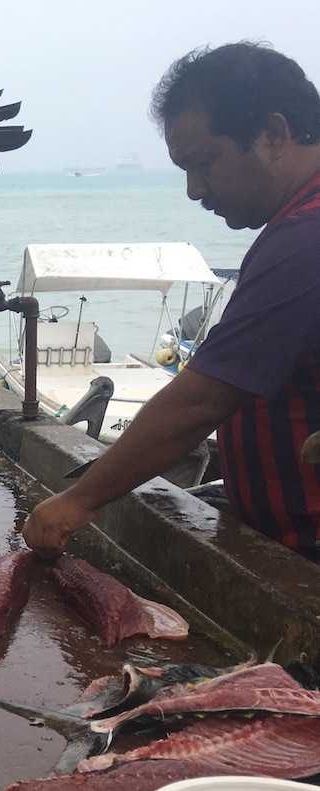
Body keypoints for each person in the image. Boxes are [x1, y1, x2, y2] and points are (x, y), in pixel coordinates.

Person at [23, 42, 320, 559]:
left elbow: (203, 400)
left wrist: (77, 501)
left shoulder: (305, 239)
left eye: (205, 164)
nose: (193, 190)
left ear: (274, 134)